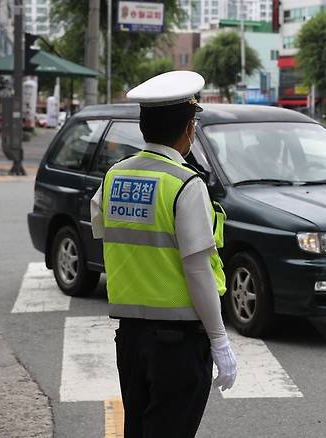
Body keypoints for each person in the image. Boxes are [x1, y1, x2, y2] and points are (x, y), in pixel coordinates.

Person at [90, 71, 237, 437]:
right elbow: (198, 270)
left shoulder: (114, 177)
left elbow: (105, 230)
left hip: (131, 338)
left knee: (138, 430)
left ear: (143, 127)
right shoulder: (185, 184)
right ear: (189, 129)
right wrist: (219, 340)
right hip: (179, 343)